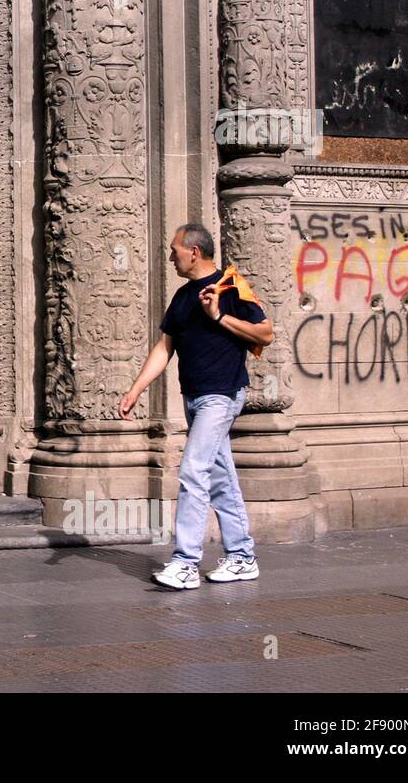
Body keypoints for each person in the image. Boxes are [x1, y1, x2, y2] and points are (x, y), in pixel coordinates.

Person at [118, 224, 274, 590]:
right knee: (221, 477)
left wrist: (219, 316)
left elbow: (265, 333)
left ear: (194, 252)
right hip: (194, 396)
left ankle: (186, 561)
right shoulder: (183, 296)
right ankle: (241, 556)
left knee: (192, 471)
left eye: (174, 250)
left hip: (221, 395)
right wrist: (136, 389)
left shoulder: (230, 287)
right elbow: (164, 348)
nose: (170, 256)